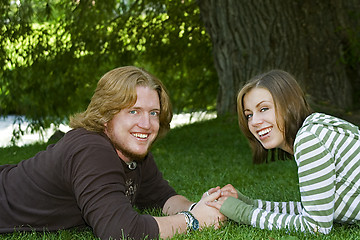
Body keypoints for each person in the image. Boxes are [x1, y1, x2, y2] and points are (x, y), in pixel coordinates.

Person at [0, 66, 225, 239]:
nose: (146, 124)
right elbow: (121, 231)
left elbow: (161, 197)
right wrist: (192, 221)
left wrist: (201, 206)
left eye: (153, 113)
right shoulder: (91, 150)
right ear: (106, 115)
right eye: (134, 111)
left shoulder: (135, 153)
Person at [207, 69, 360, 234]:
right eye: (249, 115)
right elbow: (312, 209)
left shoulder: (310, 140)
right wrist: (250, 203)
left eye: (264, 109)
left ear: (289, 104)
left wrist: (243, 212)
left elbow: (315, 226)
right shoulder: (314, 132)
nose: (255, 122)